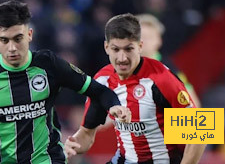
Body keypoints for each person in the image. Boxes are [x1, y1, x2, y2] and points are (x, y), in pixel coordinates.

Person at [0, 0, 131, 164]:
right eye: (4, 40)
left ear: (30, 34)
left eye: (18, 38)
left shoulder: (49, 64)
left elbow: (99, 91)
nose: (12, 48)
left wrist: (114, 106)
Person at [64, 13, 206, 164]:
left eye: (128, 49)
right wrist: (73, 144)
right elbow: (86, 133)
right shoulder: (102, 80)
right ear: (106, 47)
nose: (122, 58)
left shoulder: (163, 77)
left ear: (140, 46)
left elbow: (201, 129)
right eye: (116, 49)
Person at [136, 13, 201, 108]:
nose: (143, 41)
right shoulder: (119, 68)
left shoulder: (169, 70)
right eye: (139, 37)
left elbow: (193, 106)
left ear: (159, 41)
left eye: (148, 37)